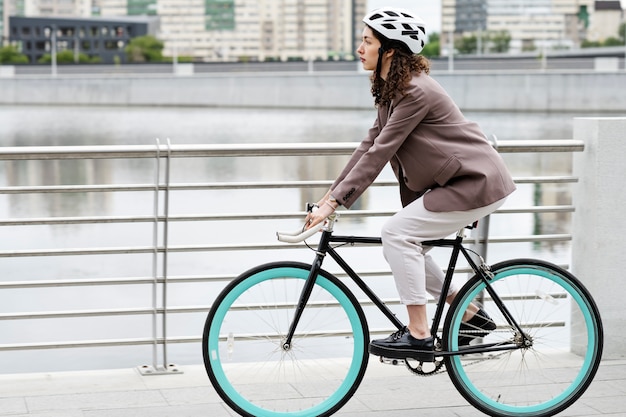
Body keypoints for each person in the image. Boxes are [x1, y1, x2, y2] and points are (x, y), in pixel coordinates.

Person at [304, 7, 516, 362]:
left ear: (389, 50)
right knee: (401, 245)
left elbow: (381, 152)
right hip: (460, 182)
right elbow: (367, 147)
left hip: (476, 183)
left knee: (397, 234)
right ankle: (467, 314)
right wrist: (328, 197)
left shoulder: (416, 92)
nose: (359, 48)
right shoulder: (394, 92)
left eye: (367, 41)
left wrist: (334, 204)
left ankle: (419, 335)